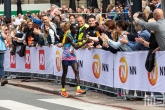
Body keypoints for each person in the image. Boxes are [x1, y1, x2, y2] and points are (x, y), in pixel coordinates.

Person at [59, 23, 90, 98]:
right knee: (65, 73)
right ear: (71, 29)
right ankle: (63, 91)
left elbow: (76, 40)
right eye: (75, 29)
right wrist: (86, 42)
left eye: (77, 29)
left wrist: (82, 39)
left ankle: (78, 89)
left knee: (76, 71)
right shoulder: (68, 36)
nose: (76, 30)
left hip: (72, 56)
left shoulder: (74, 35)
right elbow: (75, 47)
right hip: (66, 56)